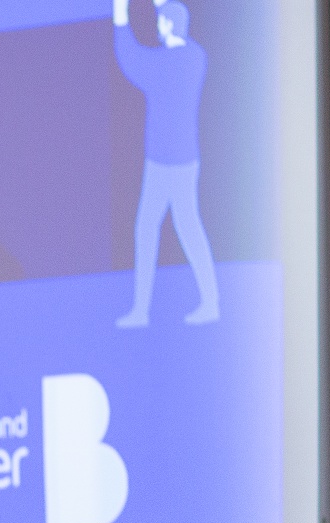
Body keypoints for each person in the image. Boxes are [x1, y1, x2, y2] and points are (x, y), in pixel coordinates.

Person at [113, 0, 220, 327]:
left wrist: (120, 13)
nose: (157, 26)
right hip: (187, 161)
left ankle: (141, 312)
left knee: (147, 231)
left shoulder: (159, 66)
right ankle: (210, 303)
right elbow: (171, 22)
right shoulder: (196, 57)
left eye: (161, 21)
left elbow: (129, 56)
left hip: (161, 164)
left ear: (169, 25)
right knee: (188, 228)